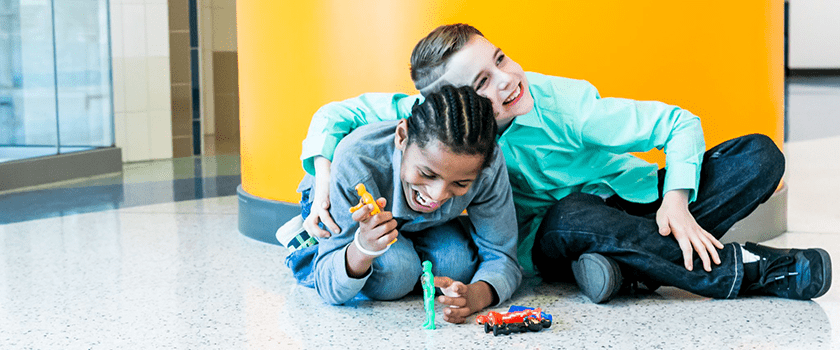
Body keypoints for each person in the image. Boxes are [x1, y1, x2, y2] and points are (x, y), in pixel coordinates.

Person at [281, 24, 831, 304]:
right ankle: (747, 271)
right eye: (484, 82)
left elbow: (677, 122)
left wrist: (677, 200)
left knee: (758, 156)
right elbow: (339, 114)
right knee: (573, 215)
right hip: (559, 231)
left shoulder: (563, 105)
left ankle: (630, 265)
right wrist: (323, 175)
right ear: (451, 103)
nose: (508, 79)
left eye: (501, 59)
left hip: (638, 203)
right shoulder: (435, 123)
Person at [281, 85, 522, 324]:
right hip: (337, 208)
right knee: (396, 273)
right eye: (427, 174)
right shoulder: (355, 162)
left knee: (456, 266)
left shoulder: (487, 165)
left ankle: (408, 250)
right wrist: (363, 248)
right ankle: (306, 250)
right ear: (402, 137)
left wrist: (476, 296)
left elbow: (502, 255)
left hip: (421, 223)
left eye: (460, 183)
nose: (437, 196)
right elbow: (329, 287)